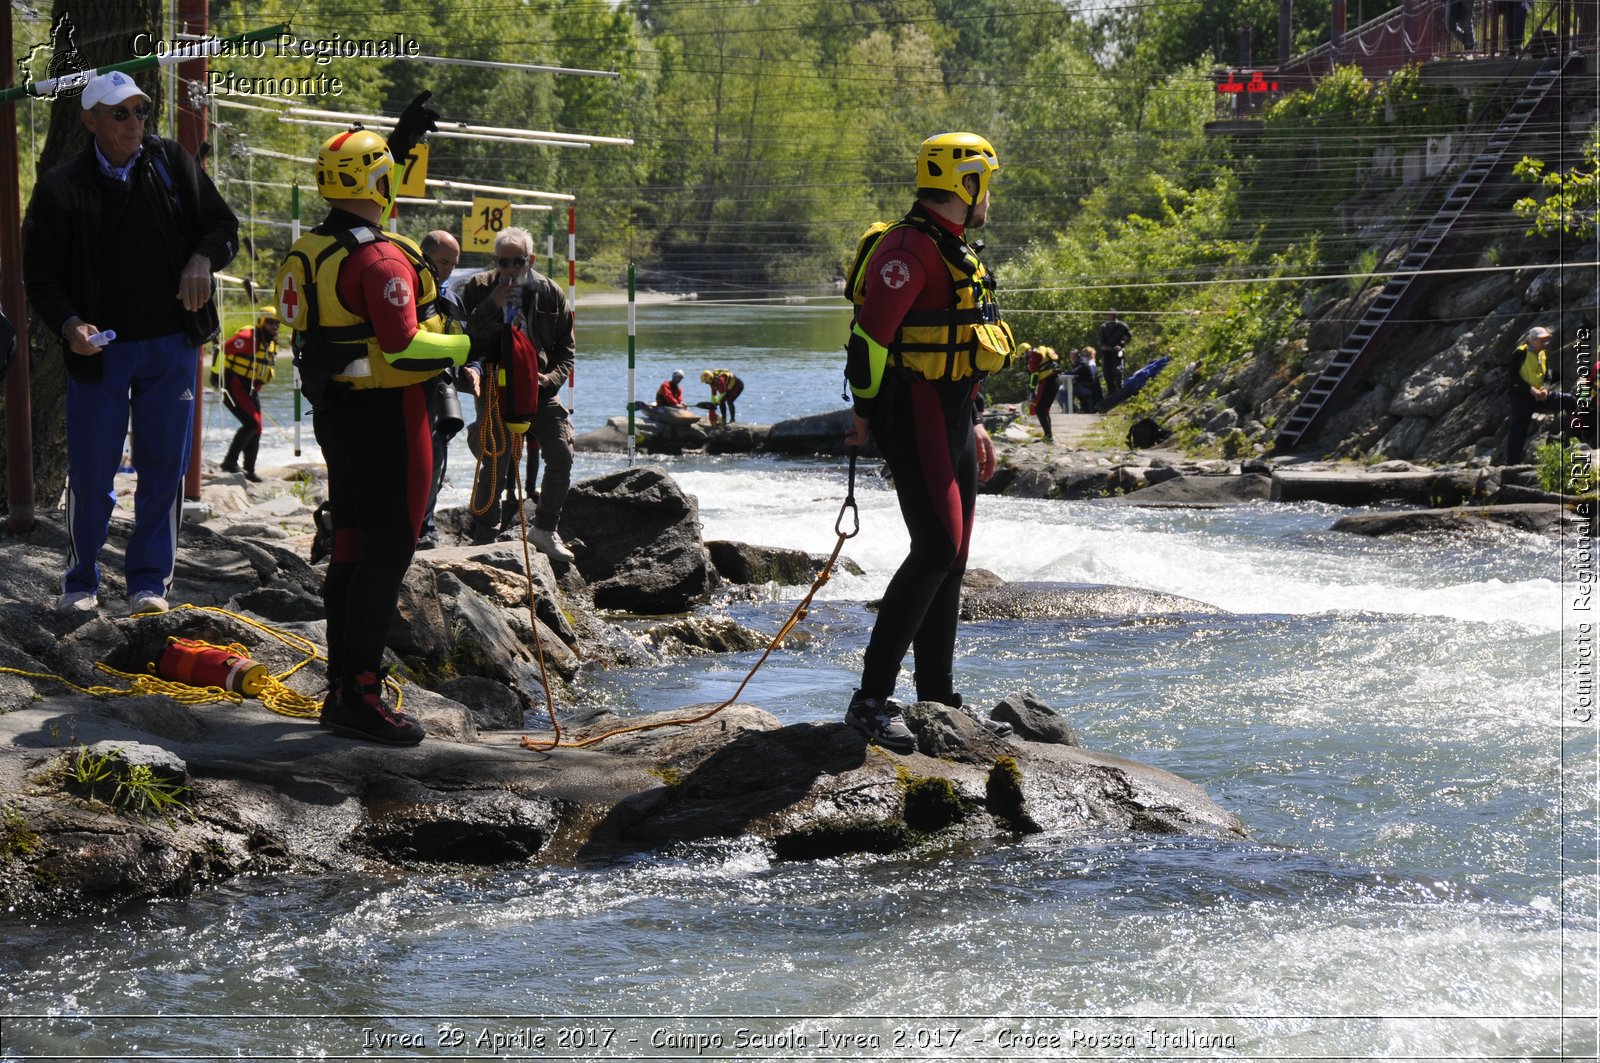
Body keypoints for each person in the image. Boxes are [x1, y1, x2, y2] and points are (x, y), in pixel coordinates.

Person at [274, 122, 470, 745]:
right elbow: (405, 347)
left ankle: (342, 687)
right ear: (378, 182)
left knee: (353, 545)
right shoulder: (380, 257)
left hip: (337, 415)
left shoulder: (312, 248)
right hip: (389, 417)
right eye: (387, 173)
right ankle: (360, 692)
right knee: (389, 551)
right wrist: (472, 343)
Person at [23, 70, 238, 617]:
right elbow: (40, 274)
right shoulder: (59, 186)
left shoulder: (170, 164)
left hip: (171, 344)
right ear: (90, 120)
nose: (134, 123)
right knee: (92, 472)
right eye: (120, 113)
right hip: (98, 349)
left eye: (141, 112)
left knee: (164, 468)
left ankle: (148, 583)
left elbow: (222, 226)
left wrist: (202, 258)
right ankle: (80, 579)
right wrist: (71, 326)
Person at [841, 131, 1016, 752]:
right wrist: (864, 414)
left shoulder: (953, 248)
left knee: (955, 556)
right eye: (985, 184)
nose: (989, 197)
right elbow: (869, 340)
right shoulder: (909, 249)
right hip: (910, 410)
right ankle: (869, 700)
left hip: (950, 414)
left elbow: (962, 343)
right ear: (966, 186)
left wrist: (973, 418)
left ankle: (937, 698)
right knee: (936, 547)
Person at [459, 226, 577, 564]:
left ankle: (544, 528)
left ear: (532, 259)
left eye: (518, 262)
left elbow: (566, 350)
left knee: (562, 453)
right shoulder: (478, 287)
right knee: (495, 458)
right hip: (495, 384)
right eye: (503, 262)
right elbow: (463, 337)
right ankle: (485, 537)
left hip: (538, 387)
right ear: (495, 260)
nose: (510, 269)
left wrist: (548, 379)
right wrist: (490, 305)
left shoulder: (550, 292)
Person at [415, 229, 466, 550]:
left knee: (437, 458)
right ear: (425, 256)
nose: (446, 269)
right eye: (442, 262)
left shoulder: (452, 298)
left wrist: (472, 370)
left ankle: (427, 525)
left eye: (452, 263)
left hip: (443, 384)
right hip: (409, 384)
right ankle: (411, 525)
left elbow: (465, 339)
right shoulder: (407, 290)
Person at [217, 306, 280, 483]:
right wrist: (216, 377)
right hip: (233, 385)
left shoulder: (271, 342)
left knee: (257, 428)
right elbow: (220, 350)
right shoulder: (246, 339)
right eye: (270, 322)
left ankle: (249, 470)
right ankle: (230, 462)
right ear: (261, 321)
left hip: (251, 389)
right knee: (252, 424)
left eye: (277, 323)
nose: (274, 326)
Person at [1503, 325, 1576, 464]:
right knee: (1519, 429)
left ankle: (1574, 439)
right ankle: (1512, 463)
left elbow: (1547, 375)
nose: (1545, 343)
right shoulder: (1520, 352)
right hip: (1521, 396)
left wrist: (1545, 389)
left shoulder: (1542, 354)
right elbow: (1513, 377)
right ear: (1532, 340)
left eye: (1546, 340)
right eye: (1542, 340)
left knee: (1569, 401)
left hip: (1539, 395)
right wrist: (1530, 389)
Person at [1025, 345, 1061, 442]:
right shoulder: (1042, 350)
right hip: (1055, 380)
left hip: (1047, 381)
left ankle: (1048, 436)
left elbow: (1034, 375)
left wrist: (1032, 390)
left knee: (1039, 409)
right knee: (1044, 409)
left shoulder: (1034, 356)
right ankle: (1048, 435)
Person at [1098, 310, 1131, 396]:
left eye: (1114, 316)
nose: (1112, 317)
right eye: (1110, 315)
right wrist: (1112, 348)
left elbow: (1129, 336)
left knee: (1118, 371)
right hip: (1107, 354)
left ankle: (1121, 389)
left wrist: (1122, 343)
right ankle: (1111, 392)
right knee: (1107, 374)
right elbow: (1102, 345)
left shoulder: (1122, 326)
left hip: (1118, 353)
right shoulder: (1103, 327)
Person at [1070, 346, 1103, 413]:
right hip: (1086, 386)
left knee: (1071, 390)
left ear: (1092, 355)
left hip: (1091, 388)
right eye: (1083, 355)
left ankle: (1073, 410)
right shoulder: (1084, 363)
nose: (1085, 357)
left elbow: (1091, 378)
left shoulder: (1091, 364)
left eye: (1087, 355)